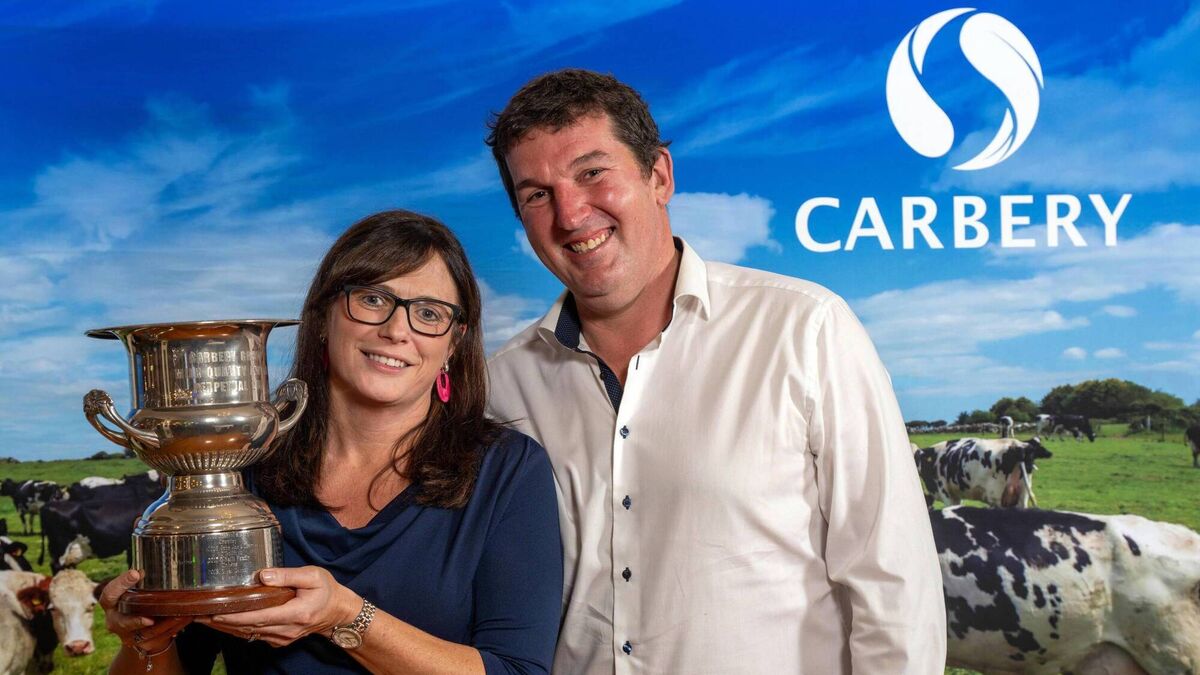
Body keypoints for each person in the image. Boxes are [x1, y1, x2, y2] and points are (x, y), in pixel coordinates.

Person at [485, 69, 946, 673]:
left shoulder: (805, 329)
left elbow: (895, 586)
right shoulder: (502, 386)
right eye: (537, 195)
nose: (570, 214)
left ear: (659, 176)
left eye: (592, 173)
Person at [98, 210, 563, 674]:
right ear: (322, 317)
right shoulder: (239, 472)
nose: (396, 331)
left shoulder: (508, 471)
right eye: (372, 299)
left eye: (428, 313)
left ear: (454, 343)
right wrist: (144, 639)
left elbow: (518, 670)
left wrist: (344, 616)